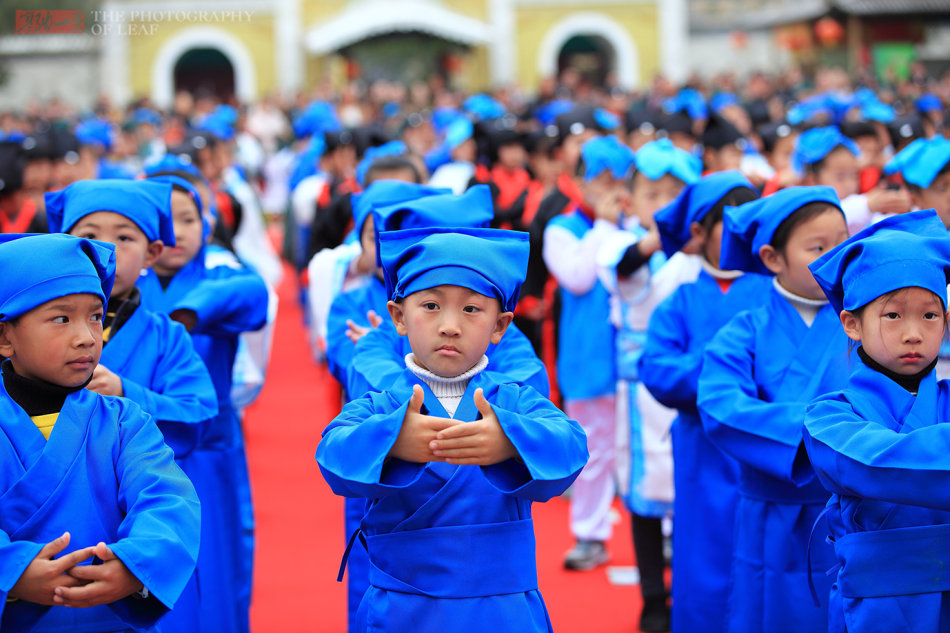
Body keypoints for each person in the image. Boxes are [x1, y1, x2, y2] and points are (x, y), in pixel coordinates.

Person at [316, 226, 589, 633]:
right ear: (398, 317)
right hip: (402, 611)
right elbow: (331, 453)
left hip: (502, 610)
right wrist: (392, 440)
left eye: (471, 309)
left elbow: (572, 445)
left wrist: (511, 440)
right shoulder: (388, 402)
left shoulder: (510, 400)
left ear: (500, 326)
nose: (449, 326)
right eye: (430, 305)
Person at [0, 233, 199, 632]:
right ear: (5, 338)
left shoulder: (124, 421)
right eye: (61, 318)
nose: (87, 337)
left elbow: (167, 497)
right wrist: (12, 574)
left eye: (95, 316)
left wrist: (136, 565)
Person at [44, 178, 219, 629]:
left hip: (132, 510)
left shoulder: (167, 336)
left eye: (124, 237)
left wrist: (129, 393)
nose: (105, 249)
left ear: (153, 254)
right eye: (89, 234)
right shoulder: (30, 331)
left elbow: (197, 412)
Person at [697, 186, 852, 633]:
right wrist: (824, 431)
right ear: (771, 258)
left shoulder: (863, 323)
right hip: (772, 509)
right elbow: (720, 406)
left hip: (853, 507)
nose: (834, 256)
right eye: (817, 247)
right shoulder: (744, 329)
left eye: (842, 242)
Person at [804, 209, 950, 632]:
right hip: (877, 609)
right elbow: (877, 462)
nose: (913, 333)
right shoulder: (829, 417)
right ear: (852, 324)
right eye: (893, 315)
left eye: (929, 315)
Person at [138, 173, 269, 633]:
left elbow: (253, 297)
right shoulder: (119, 288)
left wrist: (191, 311)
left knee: (215, 565)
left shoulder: (222, 275)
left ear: (207, 225)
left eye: (187, 219)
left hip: (208, 448)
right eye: (161, 221)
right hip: (132, 448)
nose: (175, 233)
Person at [638, 171, 768, 633]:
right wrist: (727, 370)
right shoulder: (682, 299)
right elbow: (655, 370)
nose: (744, 240)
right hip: (702, 449)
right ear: (699, 233)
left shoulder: (777, 293)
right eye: (731, 228)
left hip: (767, 449)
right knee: (704, 559)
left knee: (767, 559)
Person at [594, 138, 701, 629]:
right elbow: (624, 270)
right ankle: (653, 601)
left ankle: (692, 591)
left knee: (693, 491)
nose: (664, 205)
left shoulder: (702, 255)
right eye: (653, 195)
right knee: (644, 495)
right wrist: (658, 238)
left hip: (696, 387)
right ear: (630, 203)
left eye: (676, 194)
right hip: (641, 390)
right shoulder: (623, 245)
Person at [544, 134, 633, 572]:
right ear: (579, 179)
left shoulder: (636, 224)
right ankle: (590, 534)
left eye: (618, 179)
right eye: (598, 179)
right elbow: (577, 277)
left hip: (637, 354)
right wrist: (604, 225)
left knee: (647, 442)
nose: (609, 188)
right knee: (594, 449)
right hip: (587, 354)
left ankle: (668, 532)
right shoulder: (562, 229)